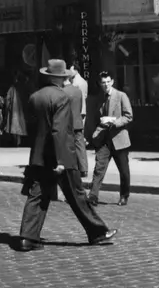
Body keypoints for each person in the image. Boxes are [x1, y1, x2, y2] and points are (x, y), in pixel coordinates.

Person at [15, 59, 117, 252]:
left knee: (37, 195)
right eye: (63, 78)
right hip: (60, 155)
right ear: (58, 78)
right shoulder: (61, 97)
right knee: (77, 195)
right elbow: (59, 131)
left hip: (39, 155)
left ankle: (27, 238)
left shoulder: (34, 97)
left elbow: (31, 127)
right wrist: (61, 160)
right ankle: (98, 233)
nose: (64, 81)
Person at [87, 72, 133, 207]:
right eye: (103, 82)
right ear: (100, 84)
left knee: (124, 170)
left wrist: (116, 122)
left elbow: (129, 116)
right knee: (99, 168)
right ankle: (93, 195)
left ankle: (124, 195)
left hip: (119, 138)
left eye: (108, 82)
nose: (106, 85)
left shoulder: (121, 96)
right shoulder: (99, 98)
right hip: (104, 139)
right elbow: (95, 117)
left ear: (112, 82)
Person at [66, 64, 90, 178]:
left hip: (76, 112)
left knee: (78, 142)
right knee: (80, 141)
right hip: (80, 111)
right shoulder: (83, 81)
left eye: (71, 70)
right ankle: (83, 167)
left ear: (75, 70)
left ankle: (79, 166)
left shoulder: (76, 83)